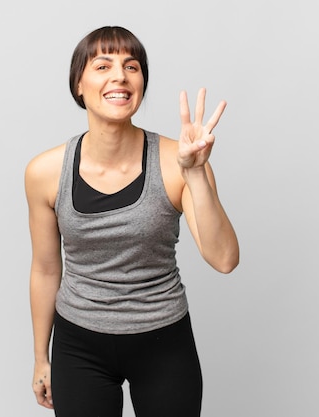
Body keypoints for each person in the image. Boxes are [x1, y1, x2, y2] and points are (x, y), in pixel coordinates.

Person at [24, 25, 239, 417]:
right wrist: (41, 357)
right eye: (102, 65)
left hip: (163, 341)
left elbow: (224, 259)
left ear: (141, 84)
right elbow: (44, 269)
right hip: (79, 343)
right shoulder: (45, 171)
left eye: (132, 66)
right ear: (79, 85)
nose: (119, 76)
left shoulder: (180, 161)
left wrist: (195, 173)